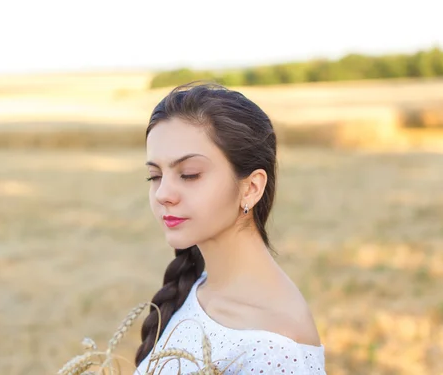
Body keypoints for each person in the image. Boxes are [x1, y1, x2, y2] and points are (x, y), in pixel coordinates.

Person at [134, 82, 326, 374]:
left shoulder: (276, 350)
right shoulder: (197, 289)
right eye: (155, 176)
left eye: (189, 174)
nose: (163, 194)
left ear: (250, 188)